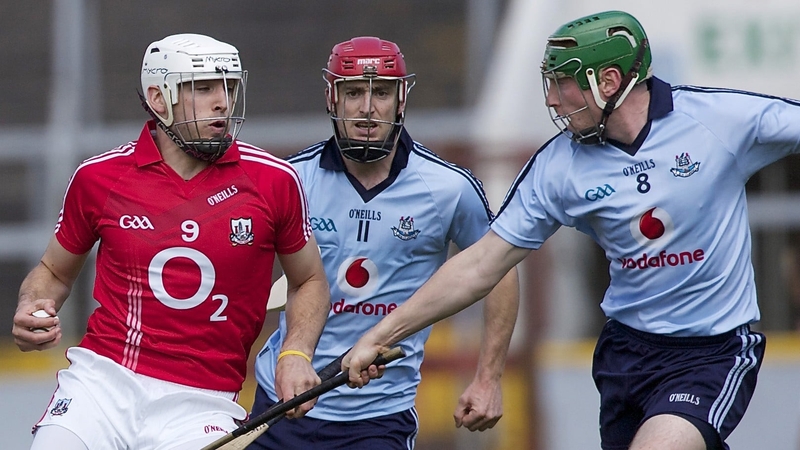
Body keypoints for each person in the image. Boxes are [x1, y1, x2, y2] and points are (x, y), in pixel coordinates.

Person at [342, 10, 800, 450]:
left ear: (609, 83)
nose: (551, 100)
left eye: (562, 84)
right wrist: (381, 336)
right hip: (626, 356)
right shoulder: (559, 166)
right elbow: (481, 265)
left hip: (712, 352)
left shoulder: (720, 120)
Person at [11, 33, 331, 450]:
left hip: (204, 402)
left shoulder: (274, 181)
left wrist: (296, 353)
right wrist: (32, 305)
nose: (223, 101)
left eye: (228, 86)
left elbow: (310, 281)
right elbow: (53, 270)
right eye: (203, 88)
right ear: (158, 99)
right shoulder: (99, 177)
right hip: (101, 384)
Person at [248, 36, 520, 449]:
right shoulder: (291, 179)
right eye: (353, 92)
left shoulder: (448, 188)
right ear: (331, 98)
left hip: (377, 417)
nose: (367, 108)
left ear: (402, 99)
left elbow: (499, 269)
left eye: (382, 93)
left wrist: (489, 376)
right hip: (283, 402)